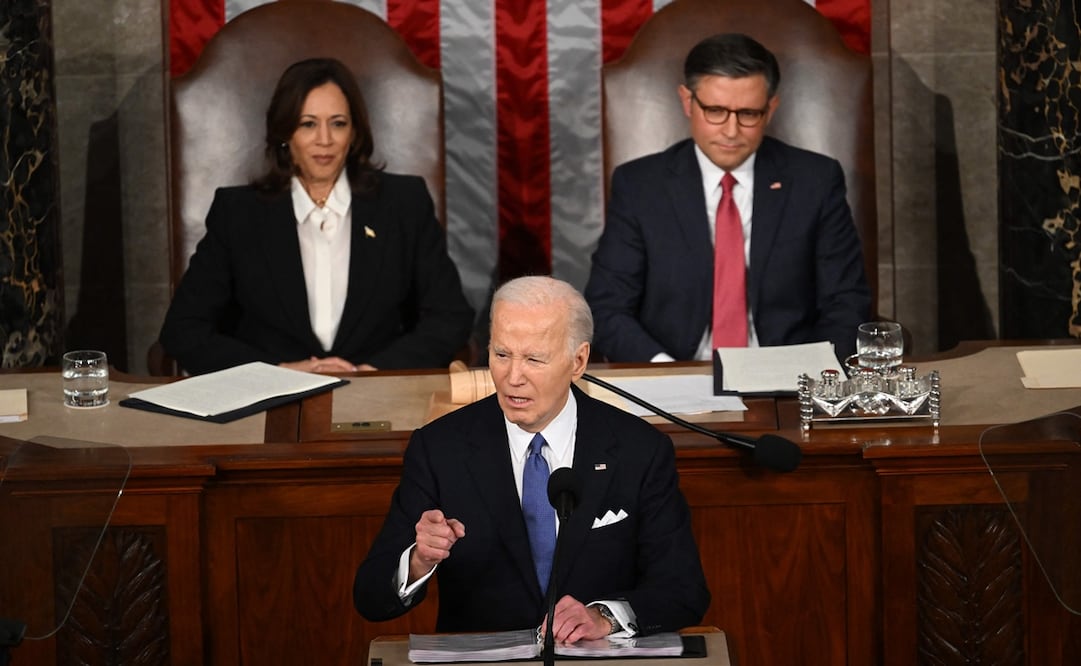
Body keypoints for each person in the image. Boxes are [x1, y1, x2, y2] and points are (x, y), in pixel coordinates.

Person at [353, 276, 710, 641]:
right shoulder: (439, 448)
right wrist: (418, 561)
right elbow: (370, 598)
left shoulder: (640, 449)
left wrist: (605, 616)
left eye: (534, 359)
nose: (512, 377)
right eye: (501, 354)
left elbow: (683, 589)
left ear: (578, 360)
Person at [159, 58, 473, 375]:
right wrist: (276, 372)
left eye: (338, 123)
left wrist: (372, 372)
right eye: (308, 124)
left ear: (354, 133)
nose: (324, 139)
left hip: (378, 397)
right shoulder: (238, 213)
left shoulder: (404, 203)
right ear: (285, 134)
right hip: (269, 399)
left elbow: (449, 317)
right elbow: (183, 329)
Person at [585, 33, 871, 363]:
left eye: (748, 113)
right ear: (687, 102)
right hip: (675, 372)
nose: (731, 131)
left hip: (787, 379)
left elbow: (847, 302)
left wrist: (809, 372)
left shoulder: (815, 181)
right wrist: (665, 371)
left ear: (771, 108)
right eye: (716, 111)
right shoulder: (639, 186)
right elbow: (607, 308)